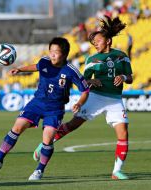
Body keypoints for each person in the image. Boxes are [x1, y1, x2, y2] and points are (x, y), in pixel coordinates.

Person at [33, 16, 133, 180]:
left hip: (115, 100)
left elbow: (130, 77)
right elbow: (83, 82)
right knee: (73, 125)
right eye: (94, 43)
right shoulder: (91, 60)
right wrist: (92, 81)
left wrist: (122, 76)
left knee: (123, 133)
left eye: (98, 41)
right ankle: (45, 144)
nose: (96, 45)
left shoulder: (122, 56)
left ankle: (116, 172)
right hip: (95, 97)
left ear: (108, 40)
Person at [0, 37, 89, 180]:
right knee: (17, 127)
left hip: (55, 108)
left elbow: (85, 90)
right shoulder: (45, 61)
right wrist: (20, 69)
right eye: (50, 51)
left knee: (48, 138)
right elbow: (36, 66)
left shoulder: (71, 71)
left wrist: (79, 103)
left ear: (64, 54)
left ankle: (39, 170)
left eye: (55, 52)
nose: (52, 54)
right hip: (37, 103)